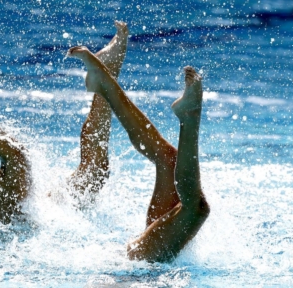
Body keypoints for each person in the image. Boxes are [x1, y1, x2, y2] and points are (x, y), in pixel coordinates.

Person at [0, 21, 209, 262]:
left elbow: (194, 207)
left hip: (16, 221)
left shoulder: (143, 255)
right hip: (43, 224)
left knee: (17, 156)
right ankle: (106, 80)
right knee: (101, 171)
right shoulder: (152, 250)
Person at [0, 21, 128, 223]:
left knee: (95, 170)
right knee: (19, 156)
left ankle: (106, 75)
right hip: (15, 218)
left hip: (39, 217)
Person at [66, 47, 210, 263]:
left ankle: (104, 84)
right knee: (190, 197)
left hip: (139, 262)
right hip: (143, 267)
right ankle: (188, 118)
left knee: (186, 190)